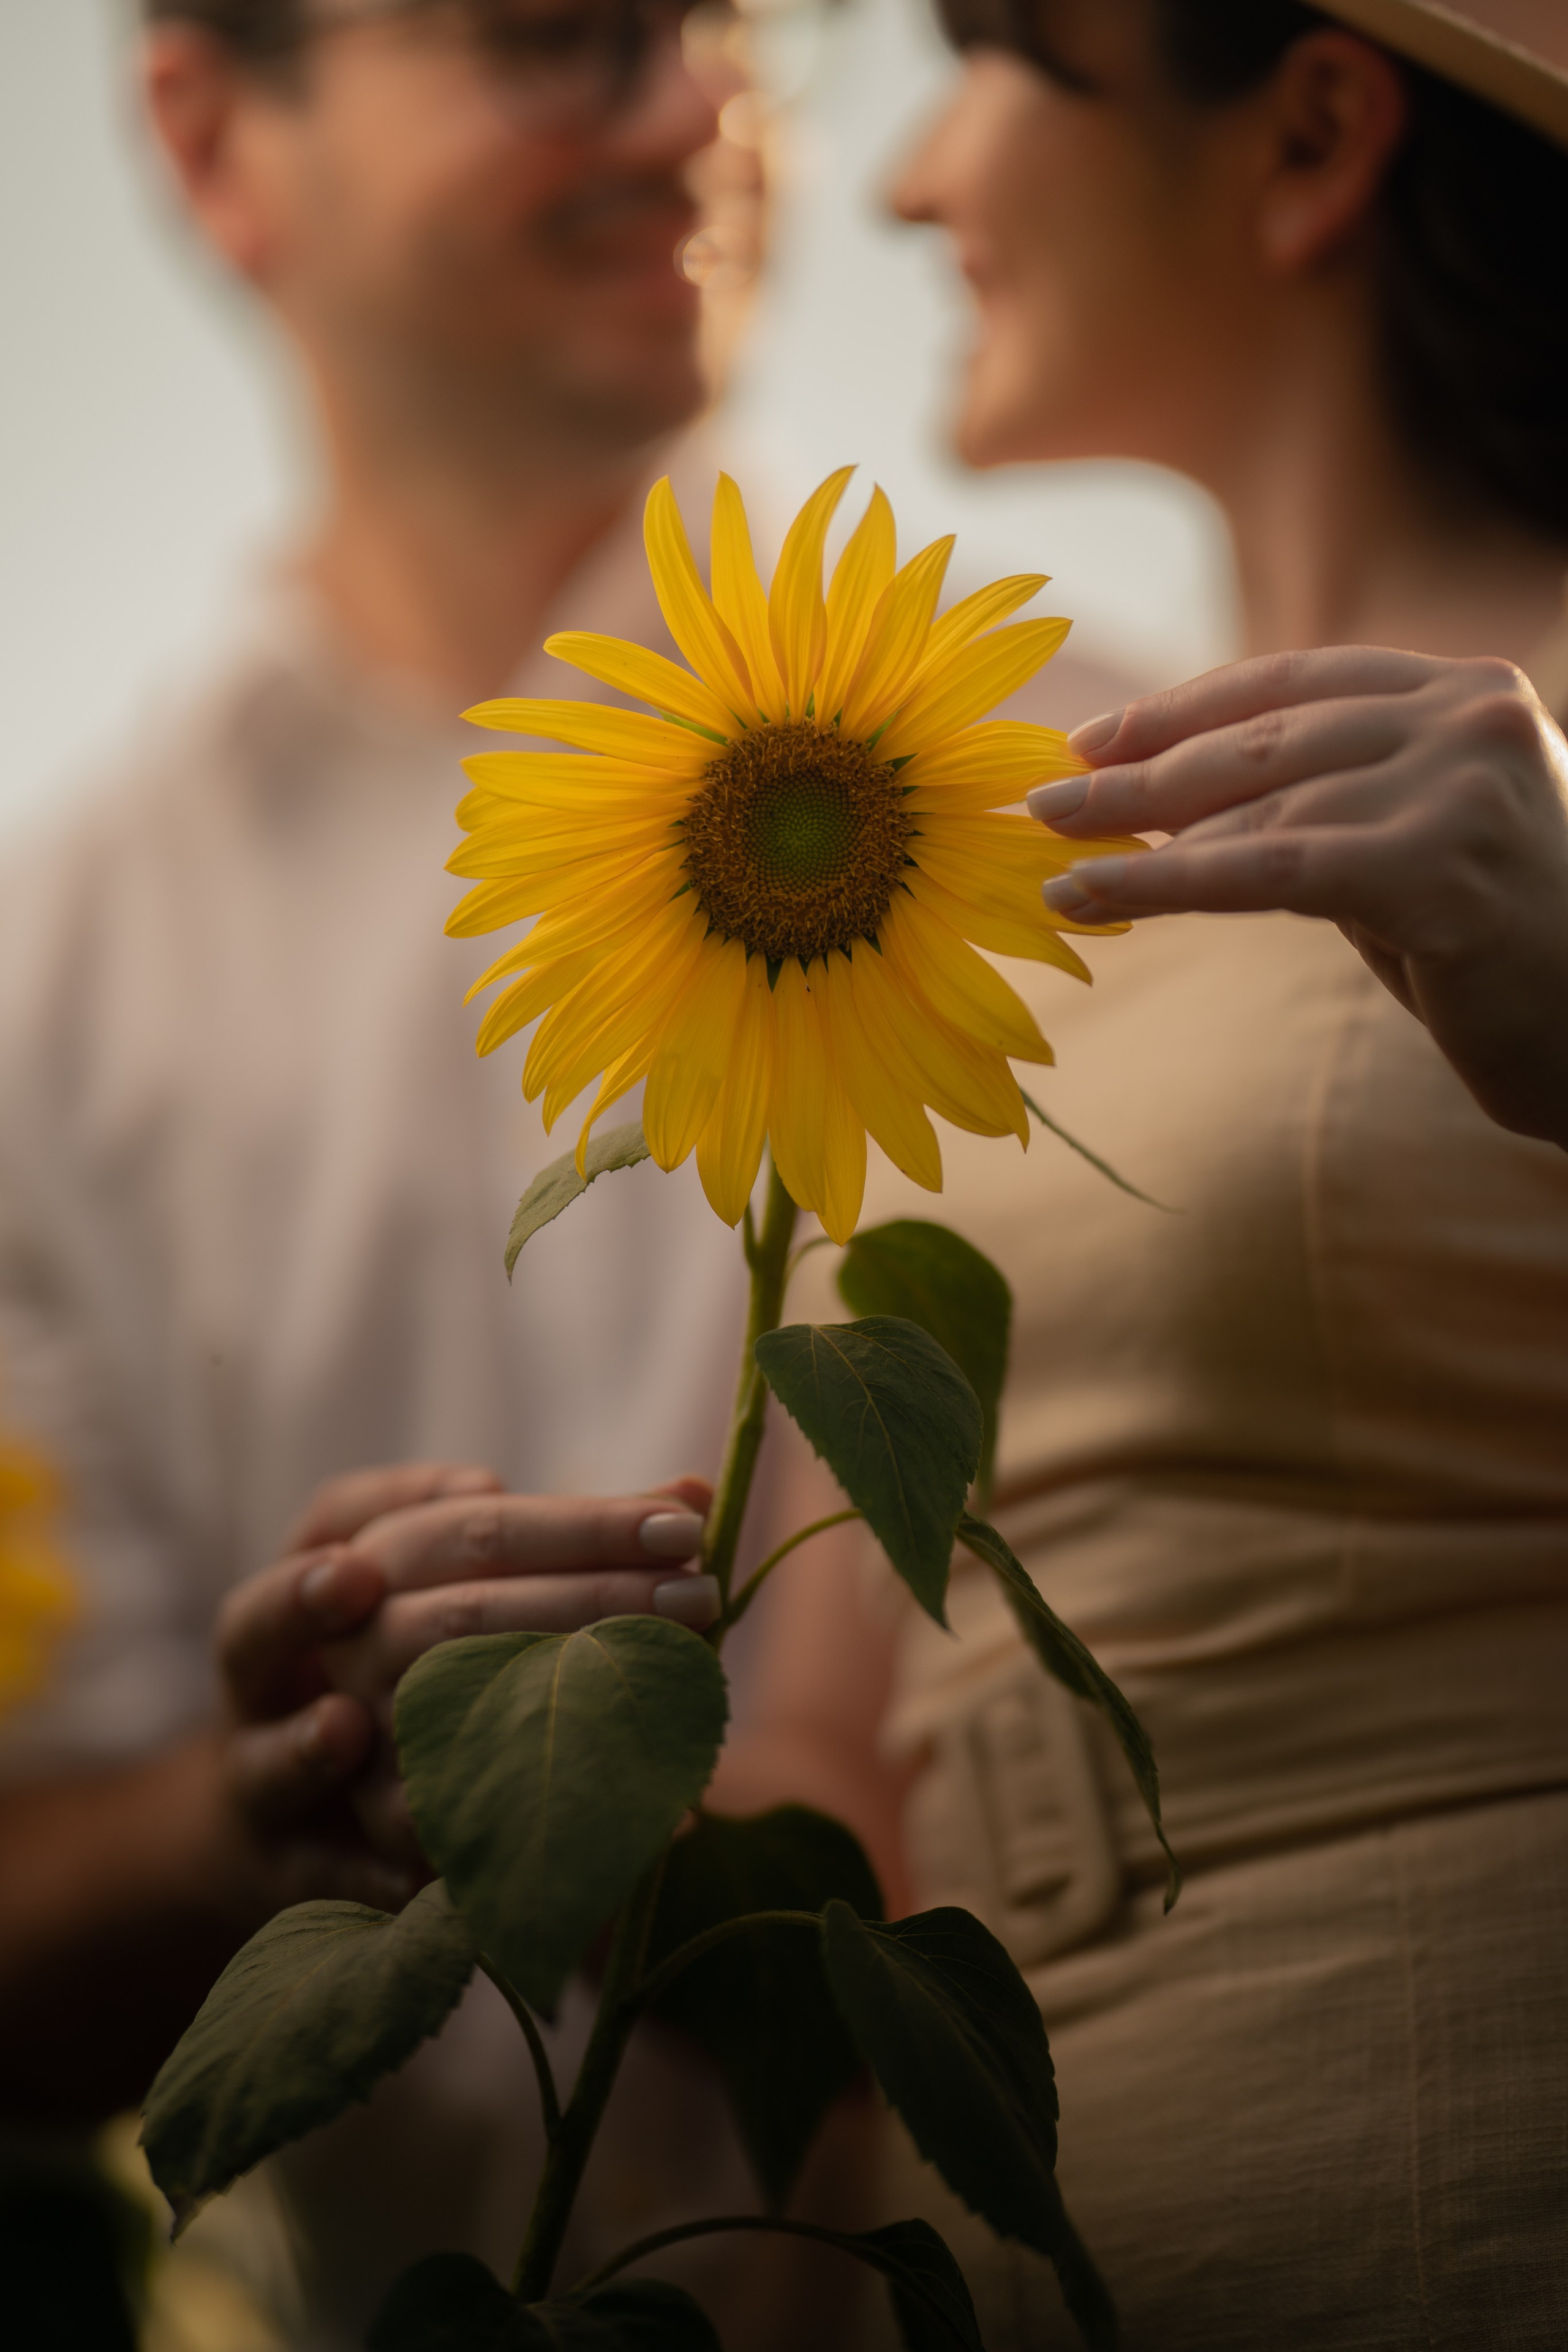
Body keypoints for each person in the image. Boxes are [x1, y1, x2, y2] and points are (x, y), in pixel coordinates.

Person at [720, 2, 1568, 2344]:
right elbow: (828, 1771)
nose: (903, 178)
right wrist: (482, 1773)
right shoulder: (955, 872)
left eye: (994, 50)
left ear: (1306, 130)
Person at [0, 0, 766, 2335]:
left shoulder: (1073, 776)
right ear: (221, 134)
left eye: (743, 29)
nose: (698, 107)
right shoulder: (54, 982)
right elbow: (22, 1966)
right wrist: (285, 1791)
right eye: (562, 35)